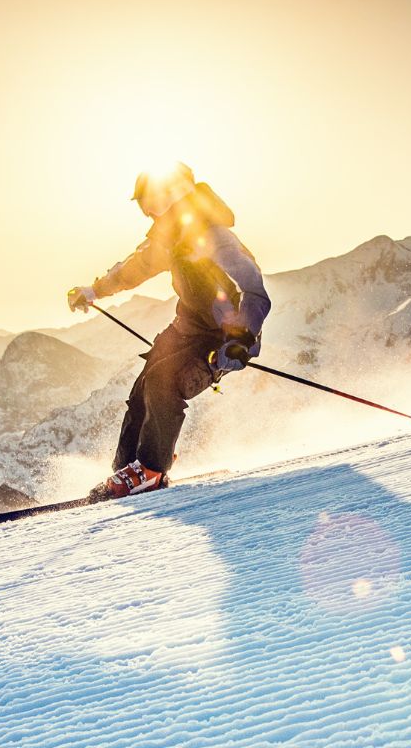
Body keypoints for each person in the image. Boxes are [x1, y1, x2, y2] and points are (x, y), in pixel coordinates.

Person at [67, 163, 271, 501]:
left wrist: (241, 339)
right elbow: (133, 269)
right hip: (187, 328)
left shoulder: (215, 237)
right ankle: (128, 469)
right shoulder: (169, 239)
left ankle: (150, 469)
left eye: (147, 202)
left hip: (223, 337)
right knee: (142, 389)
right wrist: (94, 291)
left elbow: (252, 289)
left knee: (165, 381)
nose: (146, 212)